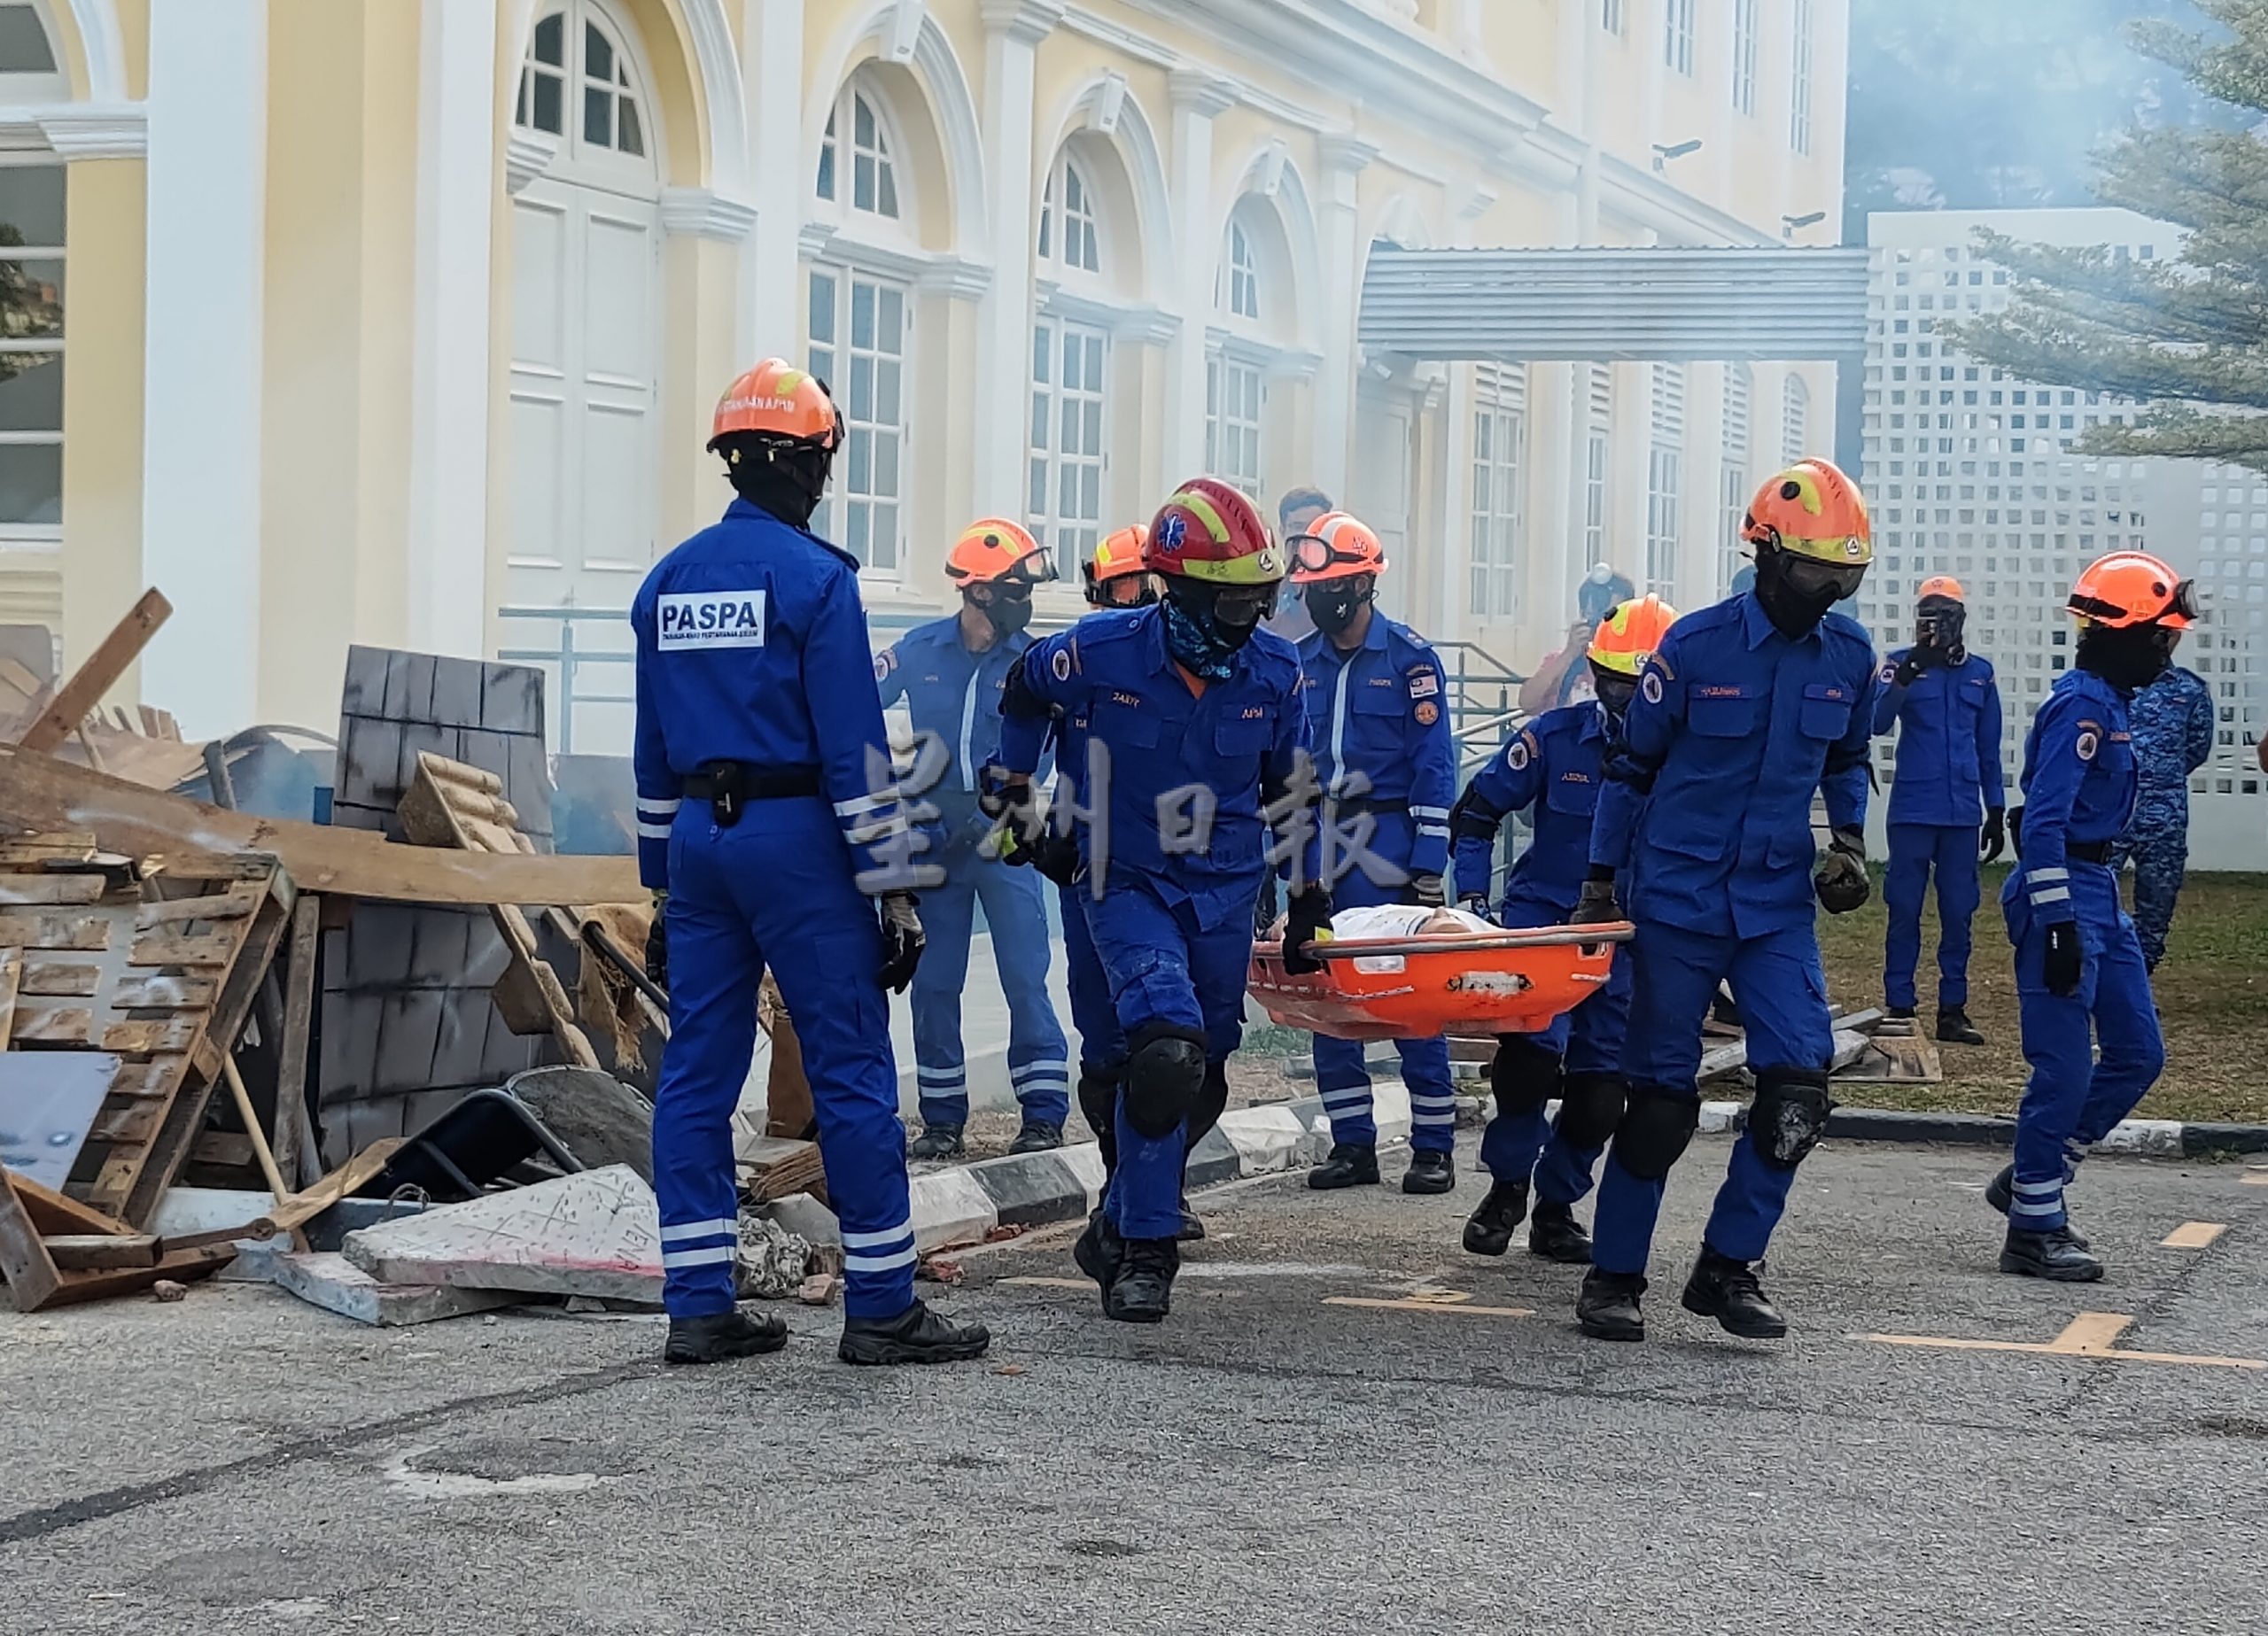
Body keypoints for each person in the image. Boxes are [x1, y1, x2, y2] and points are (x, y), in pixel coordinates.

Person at [633, 359, 988, 1367]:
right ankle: (880, 1303)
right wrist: (896, 886)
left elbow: (652, 750)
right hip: (800, 841)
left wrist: (662, 879)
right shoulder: (817, 580)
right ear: (808, 463)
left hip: (701, 841)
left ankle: (696, 1302)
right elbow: (853, 752)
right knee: (849, 1065)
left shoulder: (667, 581)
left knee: (696, 1074)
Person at [990, 477, 1318, 1323]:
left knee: (1196, 1068)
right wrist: (1019, 806)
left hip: (1223, 890)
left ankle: (1114, 1215)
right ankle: (1147, 1249)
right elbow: (1023, 693)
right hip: (1119, 877)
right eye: (1235, 602)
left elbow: (1291, 791)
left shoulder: (1278, 671)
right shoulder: (1097, 651)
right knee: (1158, 1050)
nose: (1253, 617)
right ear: (1180, 592)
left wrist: (1310, 891)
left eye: (1263, 599)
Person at [1575, 459, 1880, 1344]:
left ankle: (1728, 1264)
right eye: (1817, 572)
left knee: (1798, 1088)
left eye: (1845, 576)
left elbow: (1846, 759)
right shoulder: (1694, 648)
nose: (1830, 593)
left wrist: (1849, 844)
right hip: (1676, 899)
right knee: (1660, 1101)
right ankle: (1614, 1274)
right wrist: (1600, 882)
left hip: (1776, 901)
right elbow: (1629, 770)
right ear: (1768, 555)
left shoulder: (1849, 656)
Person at [1452, 595, 1677, 1264]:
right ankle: (1506, 1187)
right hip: (1543, 928)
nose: (1628, 701)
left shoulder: (1687, 761)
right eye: (1616, 683)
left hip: (1629, 938)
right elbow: (1478, 810)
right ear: (1594, 674)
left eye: (1644, 689)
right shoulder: (1553, 738)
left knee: (1601, 1096)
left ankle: (1557, 1204)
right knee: (1526, 1066)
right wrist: (1471, 897)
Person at [1986, 554, 2190, 1280]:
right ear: (2127, 633)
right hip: (2063, 889)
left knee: (2139, 1052)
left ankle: (2035, 1174)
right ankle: (2034, 1228)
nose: (2168, 651)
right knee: (2065, 1067)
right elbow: (2040, 822)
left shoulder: (2110, 702)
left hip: (2100, 885)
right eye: (2161, 636)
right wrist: (2060, 920)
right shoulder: (2081, 706)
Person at [1006, 525, 1208, 1240]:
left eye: (1141, 588)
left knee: (1189, 1045)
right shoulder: (1082, 661)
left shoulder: (1193, 660)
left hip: (1188, 865)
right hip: (1090, 863)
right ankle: (1125, 1185)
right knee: (1109, 1044)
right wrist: (1024, 821)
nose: (1131, 601)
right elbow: (1020, 721)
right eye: (1117, 589)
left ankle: (1147, 1193)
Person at [874, 521, 1073, 1159]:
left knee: (1024, 973)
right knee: (934, 982)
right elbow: (850, 697)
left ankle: (1042, 1113)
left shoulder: (1035, 661)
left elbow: (1050, 745)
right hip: (933, 834)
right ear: (979, 592)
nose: (1025, 599)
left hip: (1004, 833)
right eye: (1015, 586)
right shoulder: (920, 649)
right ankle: (941, 1121)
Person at [1285, 510, 1462, 1193]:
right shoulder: (1299, 663)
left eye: (1331, 585)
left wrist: (1429, 863)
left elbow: (1434, 765)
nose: (1318, 597)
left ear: (1363, 585)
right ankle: (1352, 1142)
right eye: (1312, 586)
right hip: (1322, 839)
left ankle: (1434, 1144)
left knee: (1408, 990)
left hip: (1387, 839)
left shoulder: (1411, 660)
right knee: (1329, 990)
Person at [1872, 576, 2007, 1044]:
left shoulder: (1980, 674)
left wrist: (1996, 809)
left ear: (1962, 620)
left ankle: (1953, 1009)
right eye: (1929, 615)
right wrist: (1908, 672)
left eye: (1947, 615)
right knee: (1903, 908)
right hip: (1913, 806)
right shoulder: (1897, 665)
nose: (1938, 624)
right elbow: (1876, 721)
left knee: (1959, 911)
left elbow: (1989, 747)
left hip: (1962, 812)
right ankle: (1900, 1006)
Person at [2105, 659, 2213, 971]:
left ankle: (2138, 985)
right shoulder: (2109, 681)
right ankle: (2099, 979)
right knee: (2095, 896)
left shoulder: (2189, 689)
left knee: (2157, 907)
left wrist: (2158, 779)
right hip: (2112, 812)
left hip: (2164, 814)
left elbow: (2196, 749)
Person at [1518, 564, 1637, 717]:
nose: (1604, 624)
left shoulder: (1636, 664)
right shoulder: (1563, 662)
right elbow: (1527, 702)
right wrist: (1569, 654)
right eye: (1597, 613)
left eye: (1613, 616)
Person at [1264, 486, 1333, 645]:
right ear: (1282, 530)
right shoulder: (1263, 587)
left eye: (1315, 527)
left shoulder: (1337, 588)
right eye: (1297, 526)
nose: (1305, 535)